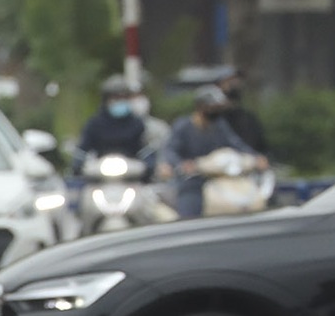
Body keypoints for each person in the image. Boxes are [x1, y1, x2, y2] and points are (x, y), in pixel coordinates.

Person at [159, 85, 266, 218]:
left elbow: (236, 144)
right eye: (213, 107)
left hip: (218, 177)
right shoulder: (183, 126)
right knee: (191, 201)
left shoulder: (219, 125)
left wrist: (256, 157)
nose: (216, 111)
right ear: (200, 106)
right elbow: (170, 151)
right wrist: (179, 165)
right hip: (193, 179)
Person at [75, 75, 149, 166]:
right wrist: (77, 164)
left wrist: (149, 164)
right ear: (106, 101)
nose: (120, 101)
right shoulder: (94, 124)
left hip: (132, 171)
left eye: (124, 98)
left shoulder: (137, 124)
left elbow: (144, 149)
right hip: (99, 170)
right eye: (116, 98)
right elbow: (83, 149)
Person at [214, 67, 268, 155]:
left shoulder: (249, 118)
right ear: (218, 85)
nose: (235, 84)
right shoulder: (211, 118)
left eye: (237, 80)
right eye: (230, 80)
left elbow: (261, 147)